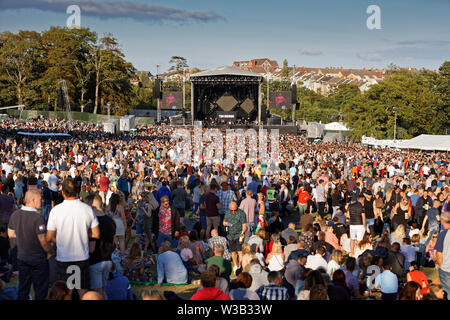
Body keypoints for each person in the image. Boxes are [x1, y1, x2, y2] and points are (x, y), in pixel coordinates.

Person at [46, 179, 100, 298]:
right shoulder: (87, 209)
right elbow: (96, 234)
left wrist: (59, 239)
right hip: (82, 257)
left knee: (64, 293)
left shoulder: (56, 211)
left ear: (62, 193)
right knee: (83, 293)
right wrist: (83, 235)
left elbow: (49, 237)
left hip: (63, 257)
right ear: (77, 191)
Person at [7, 190, 54, 300]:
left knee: (23, 288)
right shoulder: (38, 218)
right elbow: (43, 241)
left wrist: (23, 236)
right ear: (32, 200)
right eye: (39, 199)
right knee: (40, 290)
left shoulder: (15, 214)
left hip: (22, 257)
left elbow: (10, 234)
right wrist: (50, 252)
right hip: (38, 259)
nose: (41, 201)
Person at [88, 194, 116, 300]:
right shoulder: (110, 220)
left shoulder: (94, 223)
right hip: (107, 260)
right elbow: (113, 244)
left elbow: (91, 248)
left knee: (97, 293)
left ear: (92, 206)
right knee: (103, 291)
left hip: (96, 260)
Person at [223, 201, 247, 273]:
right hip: (230, 235)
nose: (233, 211)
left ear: (237, 207)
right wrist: (227, 223)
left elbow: (244, 225)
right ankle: (236, 265)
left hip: (238, 234)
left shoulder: (241, 213)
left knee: (239, 251)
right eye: (232, 210)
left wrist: (242, 233)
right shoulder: (227, 212)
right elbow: (224, 221)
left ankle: (240, 265)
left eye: (234, 210)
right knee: (233, 251)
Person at [435, 205, 450, 299]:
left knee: (447, 293)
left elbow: (439, 254)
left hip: (446, 269)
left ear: (442, 221)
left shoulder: (442, 235)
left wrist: (441, 267)